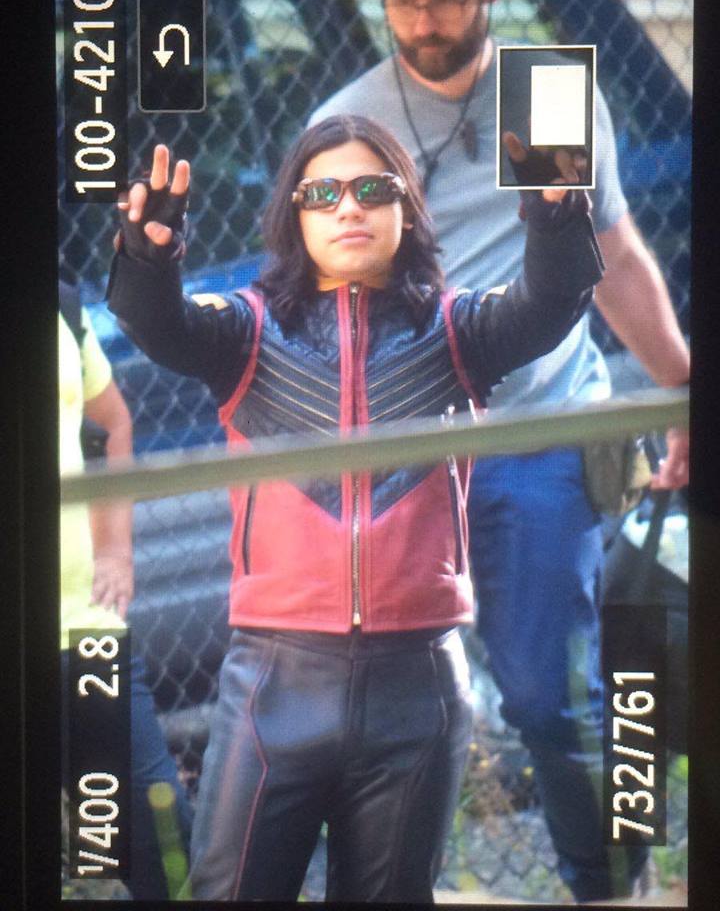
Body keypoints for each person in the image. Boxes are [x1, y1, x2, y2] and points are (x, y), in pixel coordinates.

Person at [106, 114, 604, 902]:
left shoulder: (456, 330)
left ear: (407, 208)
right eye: (323, 193)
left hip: (418, 688)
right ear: (293, 214)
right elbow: (154, 323)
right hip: (273, 684)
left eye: (373, 188)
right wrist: (148, 252)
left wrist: (556, 214)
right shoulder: (248, 332)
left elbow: (551, 303)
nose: (348, 207)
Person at [307, 0, 690, 903]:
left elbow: (610, 255)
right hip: (407, 451)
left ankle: (614, 885)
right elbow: (320, 298)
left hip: (539, 431)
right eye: (404, 3)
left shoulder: (544, 97)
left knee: (548, 698)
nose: (423, 21)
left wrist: (685, 389)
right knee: (388, 705)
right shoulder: (351, 124)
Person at [59, 278, 192, 900]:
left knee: (156, 845)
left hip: (84, 633)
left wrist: (114, 547)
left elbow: (111, 422)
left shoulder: (60, 306)